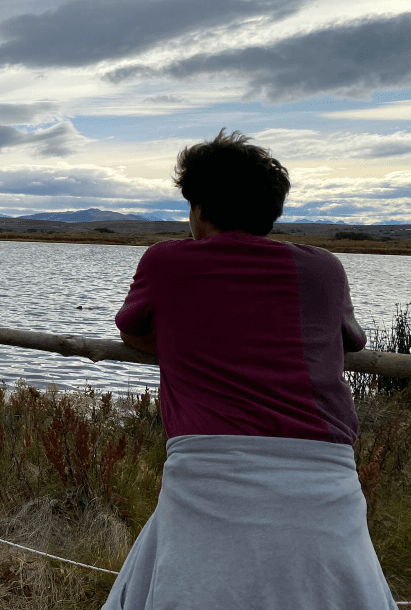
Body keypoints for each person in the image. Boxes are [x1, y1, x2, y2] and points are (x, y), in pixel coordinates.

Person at [103, 128, 397, 610]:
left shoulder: (166, 262)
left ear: (197, 210)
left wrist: (192, 342)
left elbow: (133, 332)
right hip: (323, 472)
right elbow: (353, 341)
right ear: (271, 211)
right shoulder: (324, 268)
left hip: (205, 465)